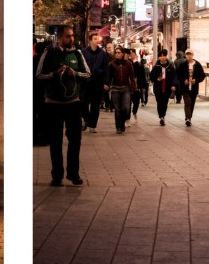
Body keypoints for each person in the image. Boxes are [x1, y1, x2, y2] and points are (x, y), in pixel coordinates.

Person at [36, 25, 91, 186]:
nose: (71, 39)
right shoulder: (49, 53)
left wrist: (75, 74)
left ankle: (73, 174)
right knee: (55, 141)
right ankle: (57, 175)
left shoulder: (77, 53)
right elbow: (39, 75)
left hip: (72, 103)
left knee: (75, 139)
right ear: (60, 37)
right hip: (53, 104)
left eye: (72, 35)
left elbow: (88, 74)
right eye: (68, 36)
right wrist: (55, 74)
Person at [104, 46, 136, 134]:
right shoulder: (112, 64)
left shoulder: (128, 64)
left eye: (119, 52)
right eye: (116, 52)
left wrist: (133, 88)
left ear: (123, 54)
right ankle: (119, 126)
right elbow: (109, 76)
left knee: (126, 107)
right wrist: (107, 84)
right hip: (115, 88)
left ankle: (122, 121)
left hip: (126, 88)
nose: (117, 54)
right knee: (118, 109)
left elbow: (132, 77)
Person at [80, 31, 108, 133]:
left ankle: (92, 125)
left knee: (95, 105)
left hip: (98, 82)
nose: (97, 41)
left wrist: (106, 82)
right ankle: (86, 119)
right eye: (95, 39)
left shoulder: (102, 53)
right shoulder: (83, 52)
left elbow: (106, 68)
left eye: (98, 39)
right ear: (90, 40)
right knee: (83, 103)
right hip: (85, 81)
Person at [177, 49, 206, 127]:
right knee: (187, 102)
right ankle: (188, 118)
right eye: (187, 54)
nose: (189, 56)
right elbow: (178, 75)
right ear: (185, 55)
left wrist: (196, 80)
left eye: (190, 54)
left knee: (192, 103)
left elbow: (202, 76)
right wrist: (184, 80)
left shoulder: (197, 64)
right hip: (185, 88)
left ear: (193, 55)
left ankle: (189, 117)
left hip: (194, 88)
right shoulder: (183, 65)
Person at [149, 51, 177, 126]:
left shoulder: (170, 67)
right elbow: (151, 76)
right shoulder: (156, 67)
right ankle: (161, 116)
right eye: (161, 56)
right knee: (159, 102)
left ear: (166, 56)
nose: (163, 57)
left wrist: (173, 85)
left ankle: (162, 116)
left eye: (164, 56)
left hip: (167, 88)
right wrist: (156, 79)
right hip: (158, 88)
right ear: (159, 57)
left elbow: (174, 77)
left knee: (165, 102)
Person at [129, 50, 144, 121]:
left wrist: (143, 86)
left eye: (133, 53)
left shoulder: (138, 64)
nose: (131, 55)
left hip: (136, 86)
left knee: (136, 101)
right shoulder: (127, 63)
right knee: (128, 102)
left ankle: (134, 112)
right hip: (128, 86)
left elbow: (142, 75)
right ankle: (127, 117)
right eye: (130, 54)